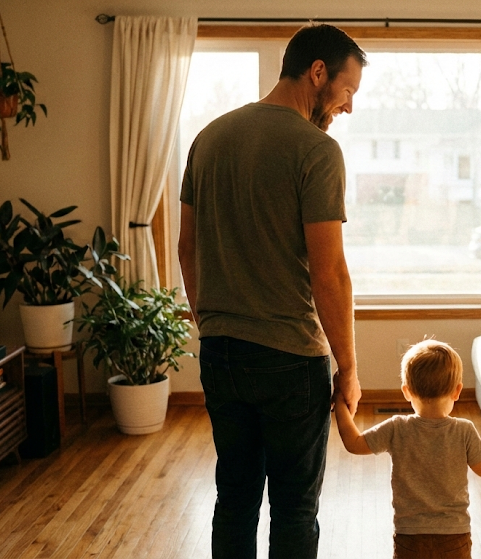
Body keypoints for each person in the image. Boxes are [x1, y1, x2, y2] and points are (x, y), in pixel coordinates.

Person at [177, 23, 367, 559]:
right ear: (317, 73)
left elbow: (185, 248)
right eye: (348, 90)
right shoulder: (316, 150)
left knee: (233, 498)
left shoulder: (208, 138)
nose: (349, 106)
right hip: (290, 361)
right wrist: (349, 369)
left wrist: (209, 323)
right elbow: (328, 274)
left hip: (220, 353)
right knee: (294, 507)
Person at [333, 339, 481, 559]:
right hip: (454, 536)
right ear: (457, 391)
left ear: (406, 392)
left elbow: (354, 443)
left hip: (410, 536)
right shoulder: (463, 430)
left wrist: (341, 404)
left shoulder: (397, 427)